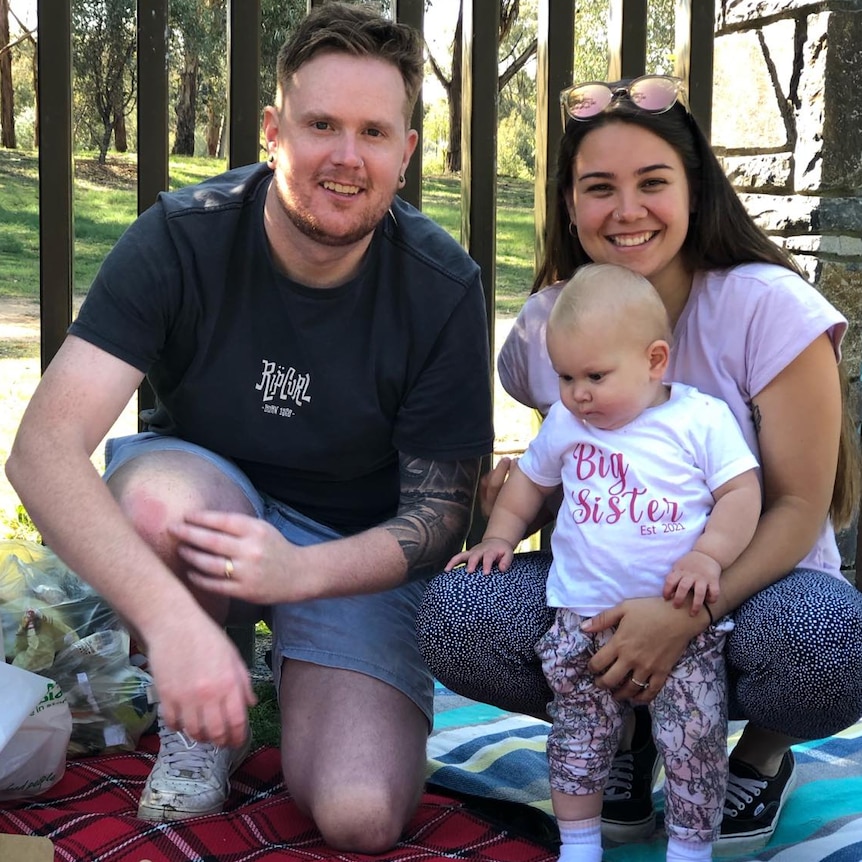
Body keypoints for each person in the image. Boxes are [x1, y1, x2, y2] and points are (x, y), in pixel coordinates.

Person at [5, 3, 493, 853]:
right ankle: (203, 710)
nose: (347, 156)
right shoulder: (180, 237)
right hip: (208, 499)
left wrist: (302, 573)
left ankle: (284, 661)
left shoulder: (442, 285)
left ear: (406, 155)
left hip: (346, 552)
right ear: (273, 131)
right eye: (321, 125)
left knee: (362, 817)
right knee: (162, 503)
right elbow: (42, 450)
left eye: (375, 131)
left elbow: (440, 515)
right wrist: (172, 622)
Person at [416, 74, 862, 855]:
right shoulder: (553, 324)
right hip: (610, 591)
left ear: (694, 189)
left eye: (653, 182)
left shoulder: (770, 309)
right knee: (459, 615)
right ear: (569, 204)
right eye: (599, 188)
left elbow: (797, 507)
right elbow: (582, 464)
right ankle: (622, 736)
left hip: (755, 591)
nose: (627, 210)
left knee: (830, 642)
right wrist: (518, 502)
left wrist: (683, 613)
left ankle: (759, 755)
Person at [447, 263, 761, 862]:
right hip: (581, 620)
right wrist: (501, 535)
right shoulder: (570, 422)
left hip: (680, 621)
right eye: (566, 376)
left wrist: (707, 555)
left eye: (595, 375)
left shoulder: (697, 420)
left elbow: (742, 495)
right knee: (577, 735)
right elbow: (529, 483)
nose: (577, 393)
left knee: (693, 739)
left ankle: (691, 849)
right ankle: (580, 844)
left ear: (655, 360)